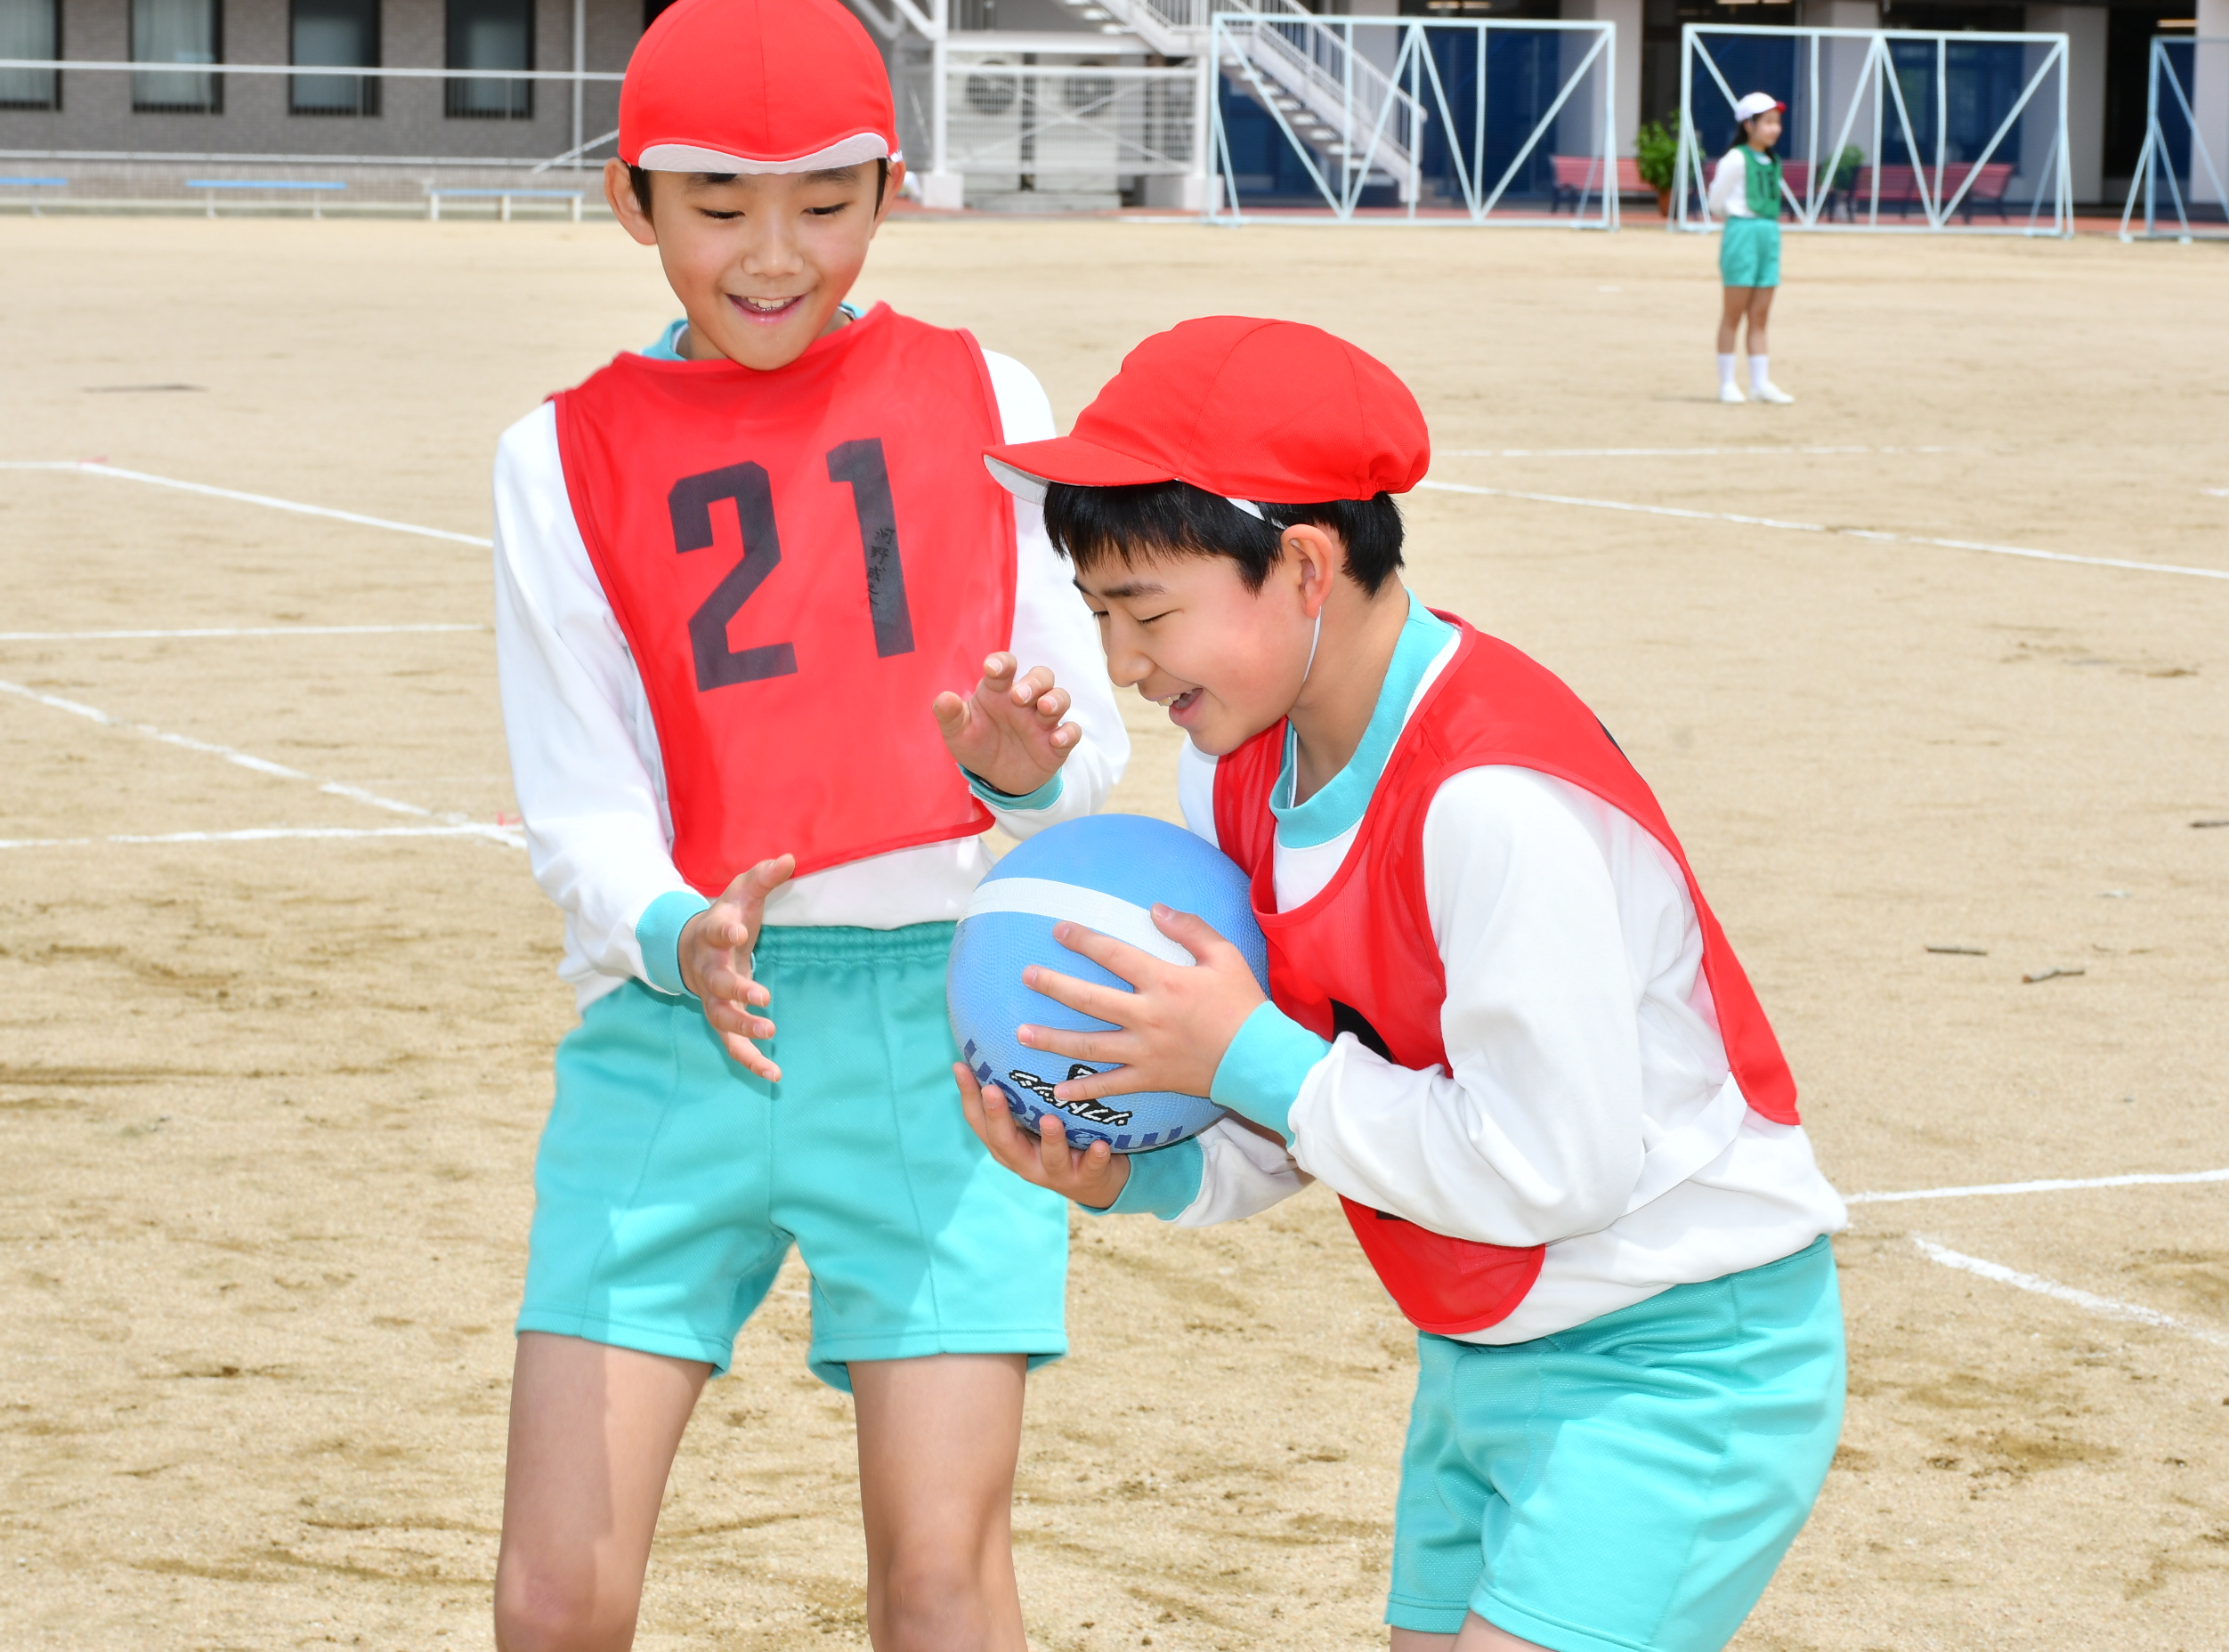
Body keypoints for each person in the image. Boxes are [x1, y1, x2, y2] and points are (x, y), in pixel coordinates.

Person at [958, 316, 1847, 1652]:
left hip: (1677, 1352)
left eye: (1147, 613)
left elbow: (1550, 1168)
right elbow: (1309, 1108)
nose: (1125, 664)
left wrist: (1245, 1053)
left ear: (1305, 566)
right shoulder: (1237, 769)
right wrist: (1134, 1169)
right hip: (1481, 1348)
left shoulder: (1492, 800)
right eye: (1099, 618)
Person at [485, 0, 1128, 1646]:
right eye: (718, 206)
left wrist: (1019, 770)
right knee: (555, 1596)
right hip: (674, 1030)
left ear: (890, 189)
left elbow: (1087, 754)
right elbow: (578, 798)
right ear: (630, 199)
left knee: (940, 1574)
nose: (775, 255)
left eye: (826, 204)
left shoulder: (984, 392)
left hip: (939, 1038)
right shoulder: (557, 454)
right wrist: (674, 931)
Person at [1710, 92, 1795, 405]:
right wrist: (1737, 219)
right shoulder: (1735, 159)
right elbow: (1716, 200)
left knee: (1760, 315)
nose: (1775, 129)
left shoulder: (1773, 161)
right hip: (1742, 232)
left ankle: (1760, 384)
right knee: (1733, 314)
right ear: (1749, 125)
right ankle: (1727, 384)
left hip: (1768, 234)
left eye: (1777, 122)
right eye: (1768, 122)